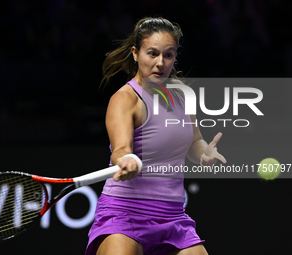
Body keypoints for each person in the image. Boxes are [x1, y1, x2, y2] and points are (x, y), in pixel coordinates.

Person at [86, 17, 226, 255]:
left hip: (173, 217)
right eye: (152, 53)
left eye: (168, 55)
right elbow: (120, 149)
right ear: (135, 53)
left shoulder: (183, 96)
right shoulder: (125, 99)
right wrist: (125, 160)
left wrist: (204, 154)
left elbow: (194, 141)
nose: (161, 63)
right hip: (125, 215)